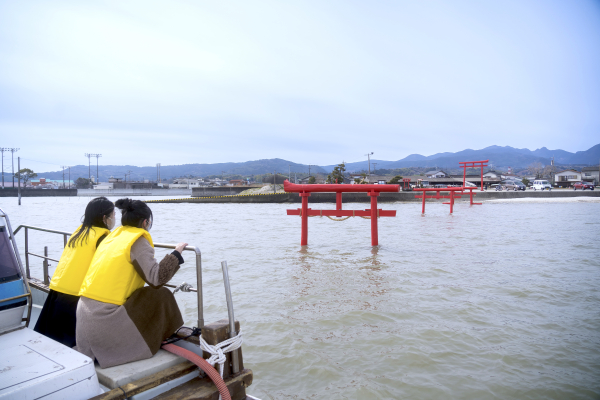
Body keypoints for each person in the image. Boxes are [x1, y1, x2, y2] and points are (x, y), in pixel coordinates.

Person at [75, 198, 187, 368]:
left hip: (85, 318)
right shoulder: (137, 241)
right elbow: (157, 279)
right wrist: (176, 253)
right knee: (160, 294)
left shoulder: (112, 237)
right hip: (103, 323)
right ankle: (162, 337)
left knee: (141, 294)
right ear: (145, 222)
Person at [34, 196, 116, 347]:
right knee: (72, 342)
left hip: (58, 290)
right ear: (105, 218)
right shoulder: (103, 237)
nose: (115, 218)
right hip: (76, 296)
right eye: (113, 215)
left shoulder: (80, 232)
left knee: (52, 339)